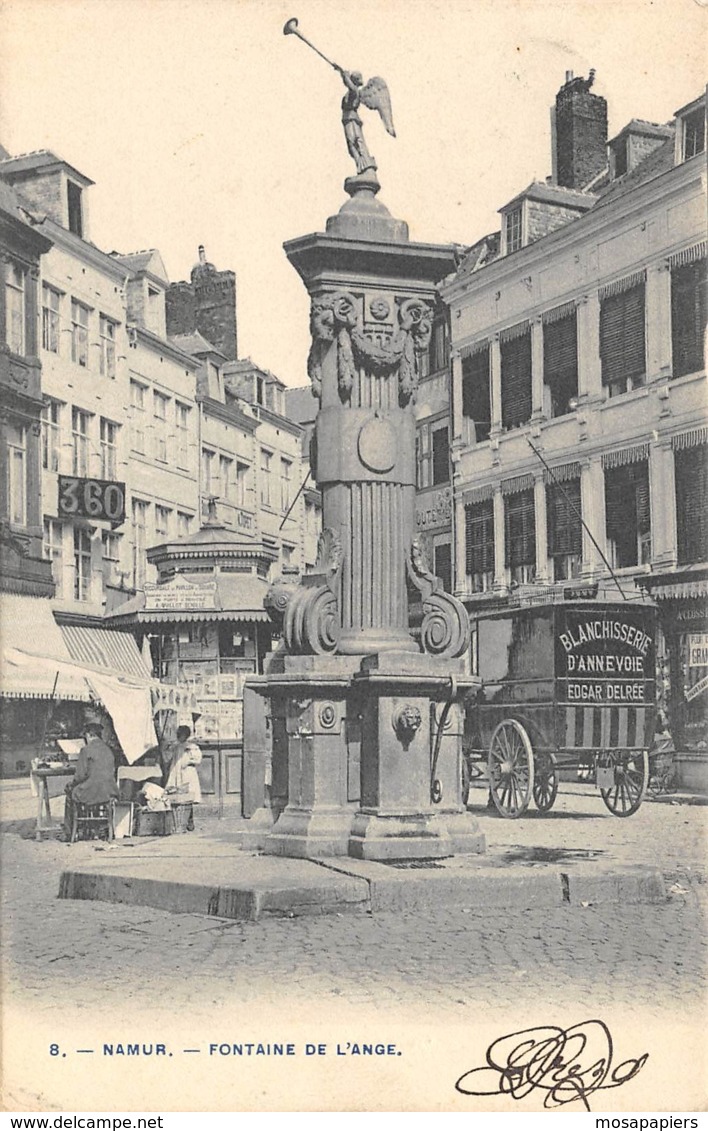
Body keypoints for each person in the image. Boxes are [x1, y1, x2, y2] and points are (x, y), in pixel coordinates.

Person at [64, 722, 118, 836]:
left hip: (92, 791)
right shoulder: (109, 750)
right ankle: (93, 828)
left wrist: (71, 785)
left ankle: (70, 833)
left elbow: (80, 776)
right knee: (83, 788)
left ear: (89, 735)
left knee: (70, 793)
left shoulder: (86, 750)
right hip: (109, 791)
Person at [164, 725, 202, 831]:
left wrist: (189, 760)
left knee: (188, 796)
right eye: (179, 735)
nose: (180, 737)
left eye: (182, 735)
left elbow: (198, 759)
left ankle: (189, 820)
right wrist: (168, 748)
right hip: (176, 771)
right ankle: (177, 821)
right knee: (176, 795)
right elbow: (167, 757)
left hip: (187, 773)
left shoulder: (191, 747)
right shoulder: (176, 746)